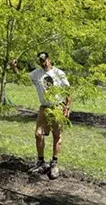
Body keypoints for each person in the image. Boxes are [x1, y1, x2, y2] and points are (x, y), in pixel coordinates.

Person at [28, 51, 71, 179]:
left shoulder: (58, 73)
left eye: (45, 59)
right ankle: (41, 162)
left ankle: (54, 163)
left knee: (57, 135)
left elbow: (67, 90)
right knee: (38, 134)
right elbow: (23, 79)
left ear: (49, 59)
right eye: (41, 60)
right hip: (44, 107)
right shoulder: (36, 74)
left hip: (57, 107)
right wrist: (14, 68)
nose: (43, 62)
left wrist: (67, 106)